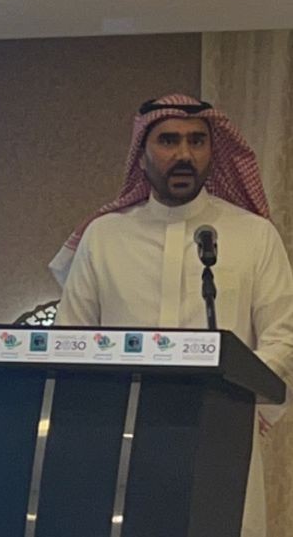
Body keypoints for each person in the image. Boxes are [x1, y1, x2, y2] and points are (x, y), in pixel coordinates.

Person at [53, 94, 293, 537]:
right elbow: (70, 338)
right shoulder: (104, 237)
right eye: (168, 140)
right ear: (141, 154)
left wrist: (244, 403)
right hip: (122, 439)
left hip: (221, 436)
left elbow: (284, 335)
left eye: (197, 141)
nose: (184, 154)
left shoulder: (254, 236)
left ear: (212, 151)